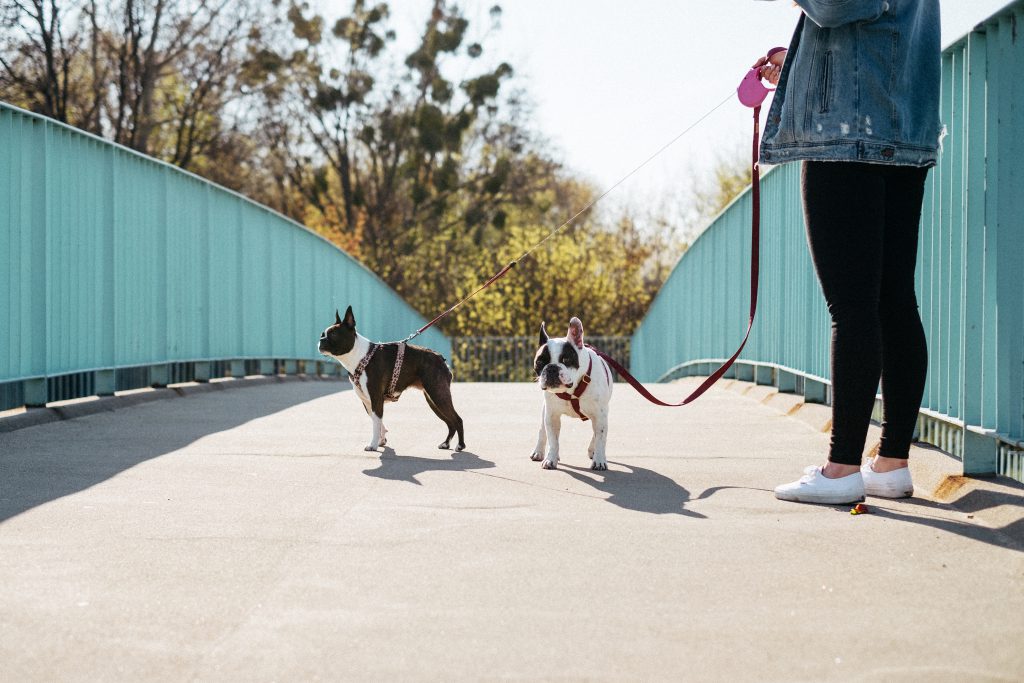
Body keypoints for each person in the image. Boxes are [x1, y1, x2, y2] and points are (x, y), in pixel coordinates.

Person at [752, 0, 942, 504]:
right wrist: (798, 58)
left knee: (852, 308)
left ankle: (840, 471)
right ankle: (892, 463)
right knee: (894, 301)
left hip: (848, 132)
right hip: (905, 122)